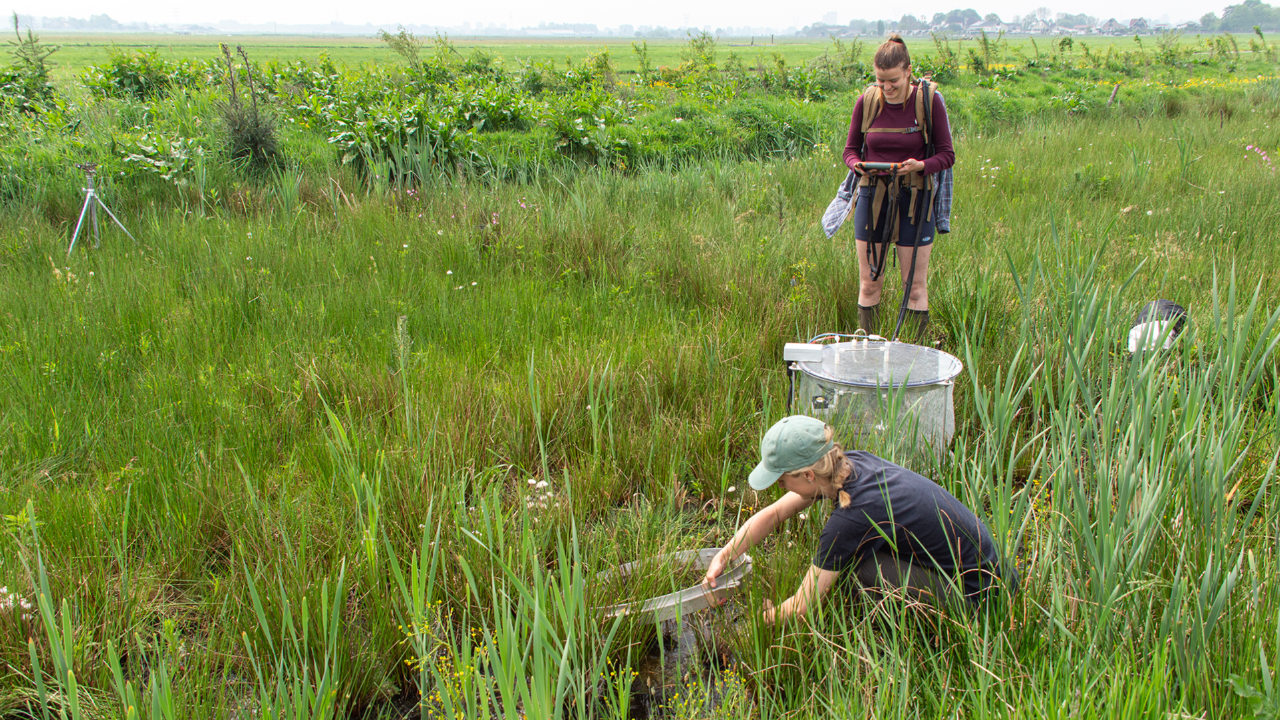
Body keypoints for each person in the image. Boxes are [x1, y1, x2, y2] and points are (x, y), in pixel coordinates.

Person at [703, 416, 1015, 623]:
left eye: (782, 481)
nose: (780, 488)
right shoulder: (851, 464)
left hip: (982, 602)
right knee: (849, 558)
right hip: (995, 575)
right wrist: (725, 555)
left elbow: (801, 607)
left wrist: (763, 618)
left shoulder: (852, 518)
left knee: (858, 564)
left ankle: (923, 625)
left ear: (809, 475)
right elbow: (773, 515)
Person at [843, 35, 955, 340]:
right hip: (871, 196)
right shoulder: (867, 101)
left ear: (908, 71)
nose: (886, 88)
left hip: (915, 199)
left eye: (892, 81)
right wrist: (857, 165)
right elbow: (850, 150)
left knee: (914, 287)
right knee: (869, 283)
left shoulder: (929, 101)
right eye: (880, 81)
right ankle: (868, 355)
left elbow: (947, 155)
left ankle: (913, 359)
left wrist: (920, 166)